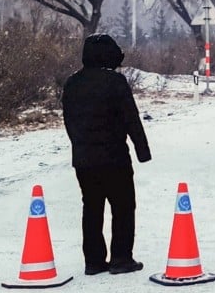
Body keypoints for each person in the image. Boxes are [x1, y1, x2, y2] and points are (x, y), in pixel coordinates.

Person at [62, 33, 151, 276]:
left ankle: (94, 261)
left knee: (91, 207)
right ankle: (121, 258)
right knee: (122, 206)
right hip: (114, 158)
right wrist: (142, 151)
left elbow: (69, 121)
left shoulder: (72, 83)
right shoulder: (115, 82)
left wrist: (80, 144)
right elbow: (131, 119)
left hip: (84, 159)